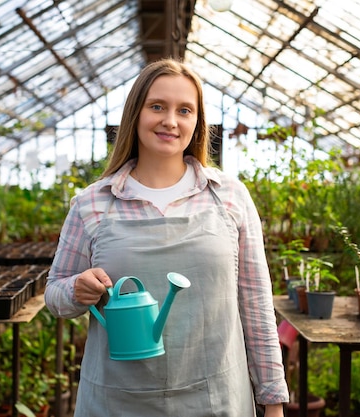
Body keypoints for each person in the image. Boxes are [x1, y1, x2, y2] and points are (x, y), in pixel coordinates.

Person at [44, 58, 289, 416]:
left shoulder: (230, 196)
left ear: (197, 122)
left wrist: (273, 402)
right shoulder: (93, 202)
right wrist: (75, 289)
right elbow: (54, 293)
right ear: (135, 114)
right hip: (117, 401)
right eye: (157, 106)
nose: (170, 121)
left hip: (216, 398)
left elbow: (256, 305)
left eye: (184, 110)